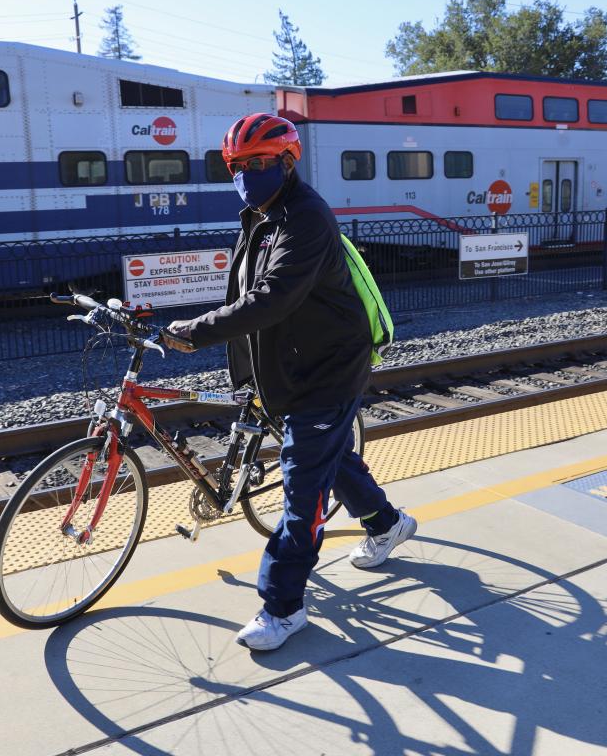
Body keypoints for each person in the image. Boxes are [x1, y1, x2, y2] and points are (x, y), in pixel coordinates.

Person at [162, 112, 417, 651]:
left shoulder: (305, 216)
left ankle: (282, 607)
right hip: (289, 366)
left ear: (286, 161)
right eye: (237, 165)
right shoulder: (260, 215)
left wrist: (194, 332)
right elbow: (248, 299)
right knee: (330, 458)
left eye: (257, 163)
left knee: (303, 485)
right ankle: (386, 523)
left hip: (329, 368)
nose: (246, 173)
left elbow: (272, 298)